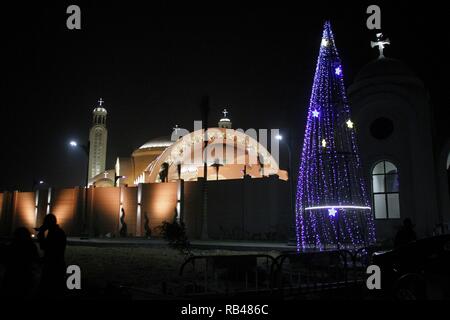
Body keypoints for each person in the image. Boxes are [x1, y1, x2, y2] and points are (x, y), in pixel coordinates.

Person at [1, 227, 39, 298]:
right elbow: (35, 259)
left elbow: (5, 260)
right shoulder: (31, 246)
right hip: (25, 277)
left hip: (11, 278)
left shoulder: (12, 246)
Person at [36, 213, 67, 298]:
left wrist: (41, 234)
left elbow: (44, 247)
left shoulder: (53, 233)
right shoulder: (58, 232)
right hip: (58, 263)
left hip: (52, 265)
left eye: (45, 222)